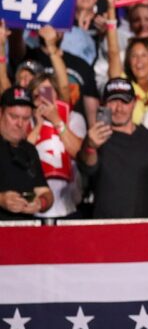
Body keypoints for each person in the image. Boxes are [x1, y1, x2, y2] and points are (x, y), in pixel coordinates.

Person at [79, 78, 148, 219]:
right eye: (113, 101)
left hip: (146, 228)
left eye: (124, 101)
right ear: (103, 105)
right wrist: (90, 147)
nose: (119, 108)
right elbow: (88, 166)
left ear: (134, 104)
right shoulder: (97, 137)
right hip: (107, 228)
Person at [27, 75, 86, 218]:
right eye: (37, 94)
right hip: (34, 207)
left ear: (57, 94)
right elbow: (21, 155)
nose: (42, 98)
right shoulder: (26, 120)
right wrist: (38, 125)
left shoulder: (73, 118)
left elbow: (79, 153)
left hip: (67, 205)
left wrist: (57, 120)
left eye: (46, 91)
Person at [0, 87, 53, 220]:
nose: (19, 124)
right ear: (1, 113)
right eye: (14, 116)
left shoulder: (29, 149)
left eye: (25, 118)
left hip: (25, 232)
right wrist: (1, 200)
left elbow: (45, 192)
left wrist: (41, 203)